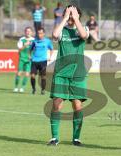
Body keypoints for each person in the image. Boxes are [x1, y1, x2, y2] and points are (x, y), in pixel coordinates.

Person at [48, 5, 89, 146]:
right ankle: (54, 138)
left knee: (77, 106)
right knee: (57, 104)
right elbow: (54, 35)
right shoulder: (62, 30)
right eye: (68, 14)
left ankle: (76, 139)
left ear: (78, 15)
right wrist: (65, 17)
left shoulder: (83, 29)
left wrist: (76, 18)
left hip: (78, 75)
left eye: (73, 14)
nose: (70, 17)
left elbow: (83, 35)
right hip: (60, 73)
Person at [30, 27, 53, 95]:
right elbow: (30, 49)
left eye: (41, 33)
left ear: (44, 34)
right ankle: (33, 89)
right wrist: (30, 56)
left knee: (43, 76)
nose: (39, 34)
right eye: (38, 33)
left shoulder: (47, 41)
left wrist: (50, 57)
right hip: (34, 60)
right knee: (32, 76)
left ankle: (43, 90)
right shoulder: (35, 41)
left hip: (43, 61)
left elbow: (51, 49)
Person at [13, 27, 34, 93]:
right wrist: (25, 45)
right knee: (19, 73)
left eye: (29, 31)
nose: (28, 32)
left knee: (27, 74)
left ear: (31, 32)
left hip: (29, 60)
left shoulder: (34, 40)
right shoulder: (21, 40)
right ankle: (16, 87)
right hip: (22, 59)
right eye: (26, 31)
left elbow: (35, 49)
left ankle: (22, 87)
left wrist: (32, 56)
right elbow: (19, 50)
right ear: (25, 32)